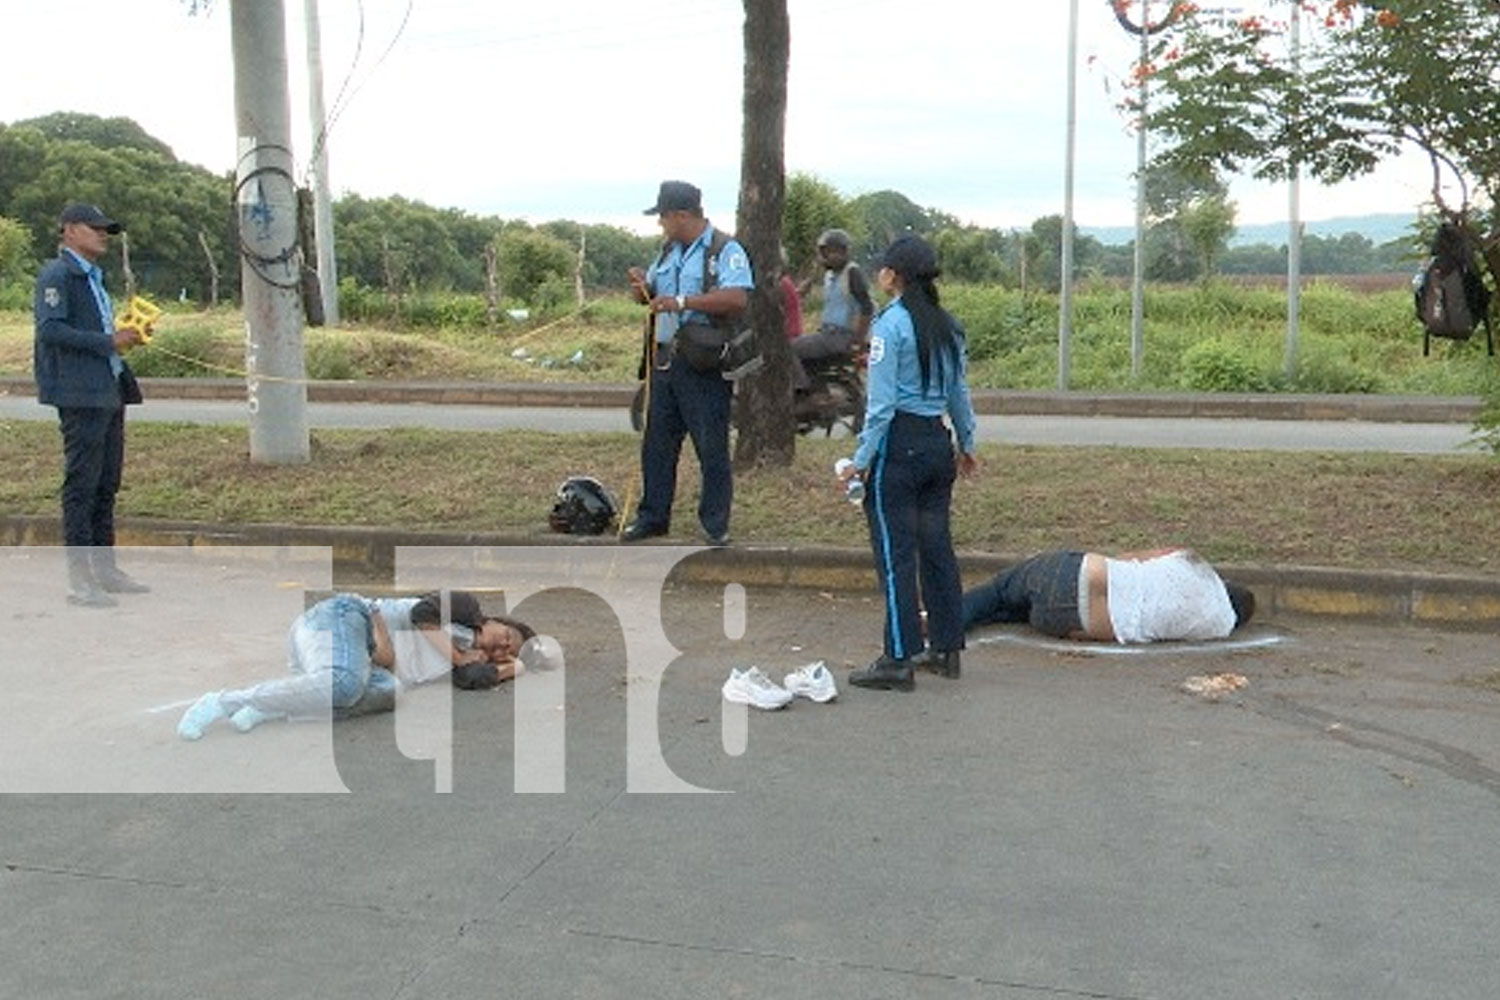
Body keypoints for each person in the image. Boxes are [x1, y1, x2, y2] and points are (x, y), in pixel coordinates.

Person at [840, 235, 978, 692]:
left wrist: (861, 459)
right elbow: (959, 393)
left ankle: (898, 657)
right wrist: (967, 443)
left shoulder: (890, 325)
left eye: (883, 268)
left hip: (898, 445)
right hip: (938, 444)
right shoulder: (947, 326)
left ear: (893, 276)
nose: (879, 273)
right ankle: (946, 646)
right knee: (937, 549)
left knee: (896, 555)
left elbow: (879, 405)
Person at [176, 591, 536, 740]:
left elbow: (473, 679)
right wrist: (456, 655)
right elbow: (421, 612)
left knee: (390, 692)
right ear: (493, 620)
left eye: (507, 650)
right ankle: (224, 701)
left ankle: (269, 707)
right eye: (506, 635)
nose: (502, 645)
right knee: (347, 685)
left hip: (350, 664)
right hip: (345, 618)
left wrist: (516, 667)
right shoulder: (464, 611)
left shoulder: (470, 663)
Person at [622, 180, 753, 546]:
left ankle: (715, 523)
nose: (660, 224)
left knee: (710, 445)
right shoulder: (667, 252)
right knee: (657, 443)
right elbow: (653, 294)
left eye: (663, 217)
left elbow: (736, 298)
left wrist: (682, 302)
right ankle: (653, 516)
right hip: (665, 361)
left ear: (681, 215)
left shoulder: (724, 250)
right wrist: (641, 289)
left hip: (703, 362)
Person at [34, 203, 149, 608]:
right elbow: (51, 330)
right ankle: (79, 579)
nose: (102, 235)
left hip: (108, 386)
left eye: (106, 229)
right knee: (82, 485)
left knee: (106, 483)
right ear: (68, 230)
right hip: (79, 392)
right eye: (94, 228)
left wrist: (124, 336)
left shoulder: (94, 278)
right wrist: (108, 341)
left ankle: (105, 569)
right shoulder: (58, 275)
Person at [961, 548, 1256, 644]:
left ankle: (942, 622)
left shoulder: (1195, 563)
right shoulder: (1218, 628)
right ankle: (965, 617)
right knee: (1017, 610)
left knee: (1000, 590)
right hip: (1074, 624)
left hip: (1077, 574)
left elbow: (1132, 557)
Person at [792, 228, 874, 390]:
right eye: (824, 252)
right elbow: (799, 294)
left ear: (844, 251)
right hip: (828, 333)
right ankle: (816, 389)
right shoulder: (830, 275)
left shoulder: (852, 273)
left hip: (841, 336)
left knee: (787, 348)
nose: (827, 257)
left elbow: (867, 308)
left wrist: (858, 340)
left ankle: (801, 389)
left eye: (831, 252)